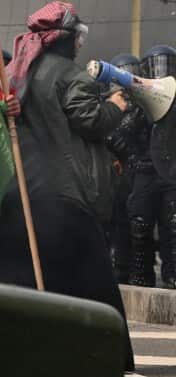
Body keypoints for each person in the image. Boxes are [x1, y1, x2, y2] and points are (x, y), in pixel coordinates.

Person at [0, 1, 133, 370]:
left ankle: (6, 347)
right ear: (64, 40)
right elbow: (90, 119)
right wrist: (116, 105)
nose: (81, 45)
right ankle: (112, 353)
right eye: (79, 37)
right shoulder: (70, 75)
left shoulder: (14, 72)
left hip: (19, 193)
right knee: (94, 278)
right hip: (63, 195)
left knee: (14, 276)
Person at [123, 45, 176, 287]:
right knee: (140, 225)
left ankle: (172, 273)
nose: (161, 70)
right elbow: (120, 134)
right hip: (144, 171)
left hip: (170, 173)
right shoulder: (135, 99)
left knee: (172, 225)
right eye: (156, 65)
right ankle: (140, 276)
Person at [104, 52, 146, 284]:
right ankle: (117, 273)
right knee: (115, 224)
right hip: (114, 176)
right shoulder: (109, 106)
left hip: (138, 173)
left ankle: (131, 274)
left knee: (136, 228)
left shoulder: (143, 108)